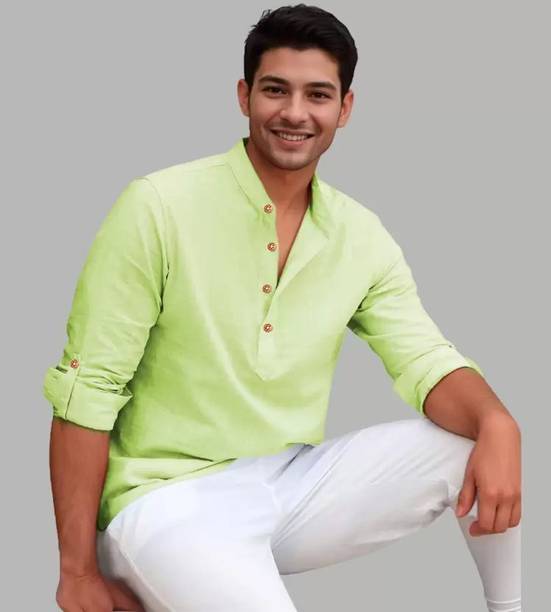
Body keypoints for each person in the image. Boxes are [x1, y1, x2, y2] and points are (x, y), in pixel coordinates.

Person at [44, 4, 522, 611]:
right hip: (163, 500)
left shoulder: (360, 234)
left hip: (291, 484)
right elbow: (88, 389)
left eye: (317, 94)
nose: (295, 112)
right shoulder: (158, 206)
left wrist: (500, 423)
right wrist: (77, 571)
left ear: (345, 108)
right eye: (276, 90)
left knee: (473, 444)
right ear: (244, 96)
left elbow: (423, 359)